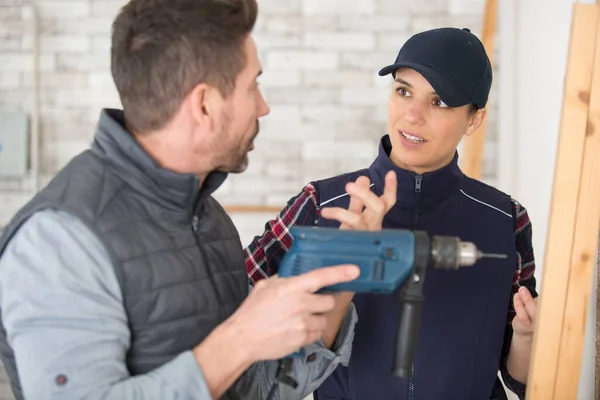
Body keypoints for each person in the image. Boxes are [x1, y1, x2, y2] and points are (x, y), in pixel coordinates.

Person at [0, 0, 399, 399]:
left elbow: (254, 390)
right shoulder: (58, 239)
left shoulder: (206, 217)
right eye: (252, 85)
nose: (263, 106)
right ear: (204, 105)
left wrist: (348, 274)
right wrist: (240, 339)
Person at [245, 27, 538, 400]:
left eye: (439, 102)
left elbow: (520, 378)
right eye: (403, 91)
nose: (413, 116)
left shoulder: (505, 220)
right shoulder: (323, 204)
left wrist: (528, 337)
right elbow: (234, 311)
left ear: (474, 120)